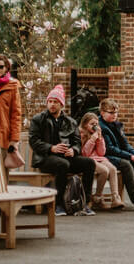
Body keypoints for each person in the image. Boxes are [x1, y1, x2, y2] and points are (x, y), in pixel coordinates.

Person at [30, 85, 96, 216]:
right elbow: (34, 141)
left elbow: (77, 142)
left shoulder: (70, 121)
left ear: (61, 104)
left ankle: (85, 203)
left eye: (55, 102)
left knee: (89, 163)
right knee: (62, 164)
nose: (52, 104)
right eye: (50, 101)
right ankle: (58, 204)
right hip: (45, 158)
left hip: (66, 156)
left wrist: (74, 151)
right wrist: (51, 148)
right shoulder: (38, 119)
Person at [79, 112, 123, 210]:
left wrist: (99, 139)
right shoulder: (81, 134)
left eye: (96, 124)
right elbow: (85, 153)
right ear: (85, 124)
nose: (94, 126)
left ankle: (115, 197)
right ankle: (97, 197)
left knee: (112, 169)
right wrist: (92, 140)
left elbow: (101, 153)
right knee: (104, 171)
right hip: (88, 159)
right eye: (92, 124)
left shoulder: (97, 134)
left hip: (99, 158)